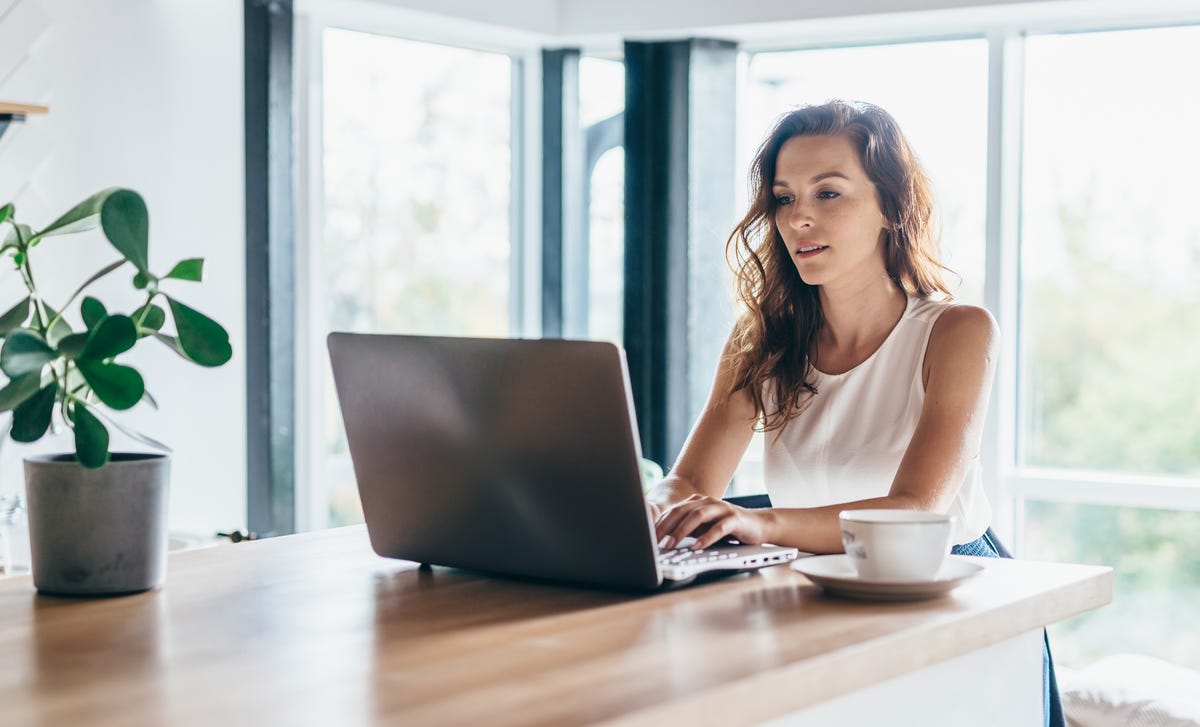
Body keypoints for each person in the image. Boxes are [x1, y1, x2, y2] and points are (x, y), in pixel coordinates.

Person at [645, 100, 1064, 727]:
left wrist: (762, 525)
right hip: (815, 589)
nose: (799, 218)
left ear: (891, 207)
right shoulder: (758, 340)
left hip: (950, 589)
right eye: (783, 198)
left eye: (829, 192)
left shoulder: (957, 331)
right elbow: (688, 481)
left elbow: (917, 510)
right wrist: (657, 506)